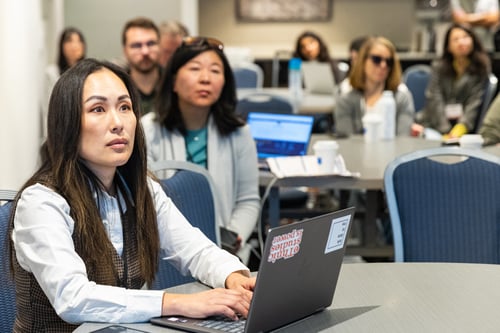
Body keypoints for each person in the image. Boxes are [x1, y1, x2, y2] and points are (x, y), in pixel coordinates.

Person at [9, 58, 255, 332]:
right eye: (98, 109)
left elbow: (195, 250)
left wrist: (233, 275)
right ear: (67, 124)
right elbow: (72, 298)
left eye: (125, 107)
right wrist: (181, 303)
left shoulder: (141, 189)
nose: (118, 123)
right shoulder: (42, 201)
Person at [141, 37, 261, 265]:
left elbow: (248, 200)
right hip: (165, 255)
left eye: (215, 71)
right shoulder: (147, 130)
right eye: (195, 69)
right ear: (174, 81)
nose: (206, 78)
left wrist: (230, 239)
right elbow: (145, 201)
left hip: (226, 254)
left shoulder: (239, 132)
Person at [413, 23, 490, 139]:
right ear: (448, 46)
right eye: (455, 39)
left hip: (464, 129)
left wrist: (459, 130)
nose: (461, 42)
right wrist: (445, 131)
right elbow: (435, 99)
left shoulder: (481, 69)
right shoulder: (438, 67)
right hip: (434, 124)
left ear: (473, 40)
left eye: (465, 37)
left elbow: (474, 103)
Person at [334, 36, 415, 137]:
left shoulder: (402, 98)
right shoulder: (345, 100)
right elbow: (346, 140)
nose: (383, 65)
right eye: (376, 59)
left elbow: (403, 138)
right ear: (363, 61)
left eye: (388, 61)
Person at [42, 27, 86, 138]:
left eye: (78, 40)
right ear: (62, 46)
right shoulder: (52, 73)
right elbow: (48, 109)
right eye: (69, 41)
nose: (75, 45)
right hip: (61, 132)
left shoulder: (88, 72)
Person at [122, 17, 162, 115]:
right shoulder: (117, 86)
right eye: (136, 45)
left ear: (160, 46)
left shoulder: (174, 84)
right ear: (125, 50)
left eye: (151, 43)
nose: (145, 51)